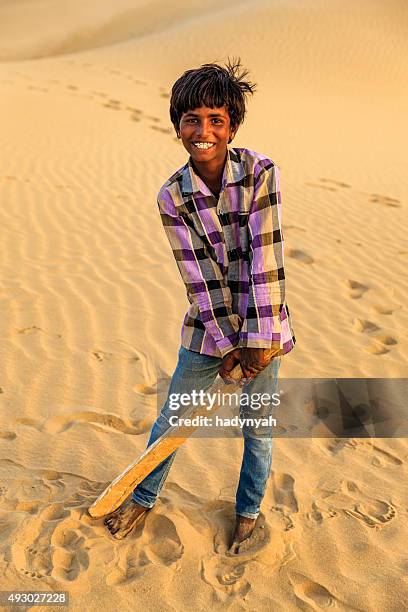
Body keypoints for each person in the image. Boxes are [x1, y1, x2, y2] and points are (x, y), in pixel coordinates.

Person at [104, 59, 296, 552]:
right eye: (191, 120)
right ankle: (144, 497)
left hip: (264, 326)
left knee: (258, 428)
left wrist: (254, 344)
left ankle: (248, 513)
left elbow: (264, 259)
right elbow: (199, 277)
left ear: (232, 125)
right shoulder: (172, 196)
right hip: (207, 329)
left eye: (215, 120)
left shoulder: (260, 172)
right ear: (177, 127)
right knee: (173, 419)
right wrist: (228, 344)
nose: (203, 131)